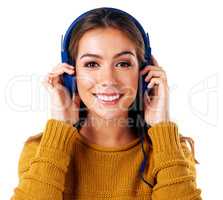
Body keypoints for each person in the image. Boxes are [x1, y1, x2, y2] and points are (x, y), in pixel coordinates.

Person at [11, 7, 202, 200]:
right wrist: (60, 127)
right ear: (71, 75)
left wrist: (162, 128)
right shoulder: (41, 151)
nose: (109, 79)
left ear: (144, 73)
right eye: (92, 64)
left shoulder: (170, 152)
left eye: (123, 64)